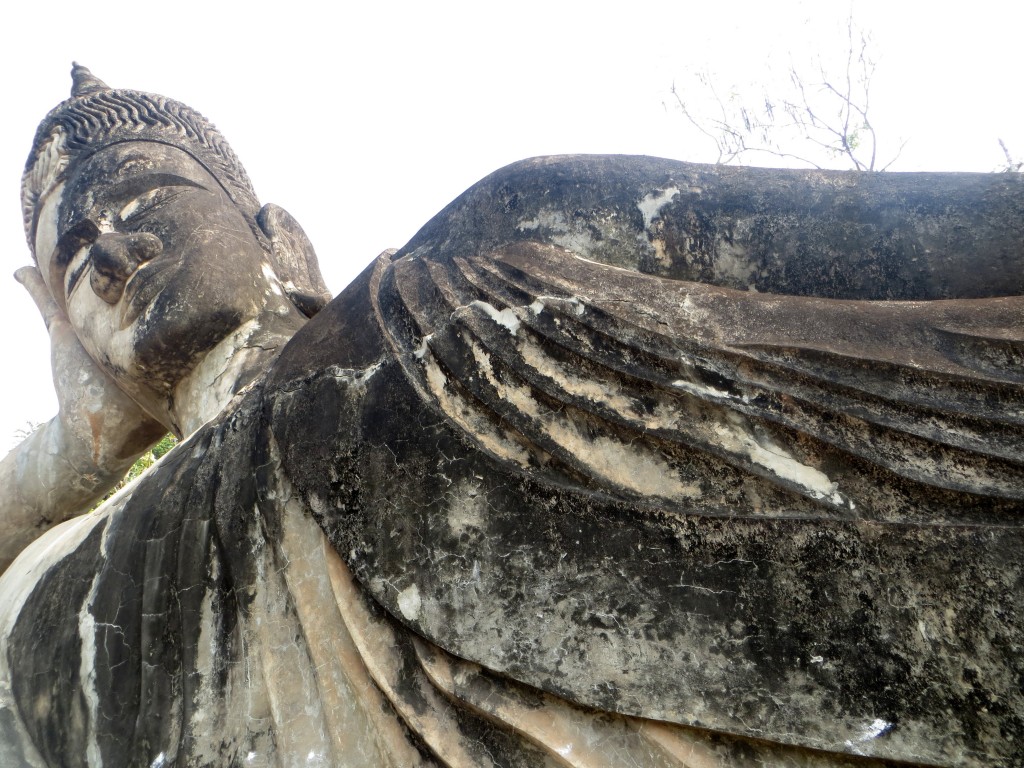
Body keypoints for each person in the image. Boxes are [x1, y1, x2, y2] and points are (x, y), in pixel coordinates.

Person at [1, 65, 1022, 767]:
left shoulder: (477, 263)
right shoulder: (67, 599)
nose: (109, 250)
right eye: (70, 255)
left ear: (282, 239)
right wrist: (64, 461)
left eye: (140, 197)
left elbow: (945, 242)